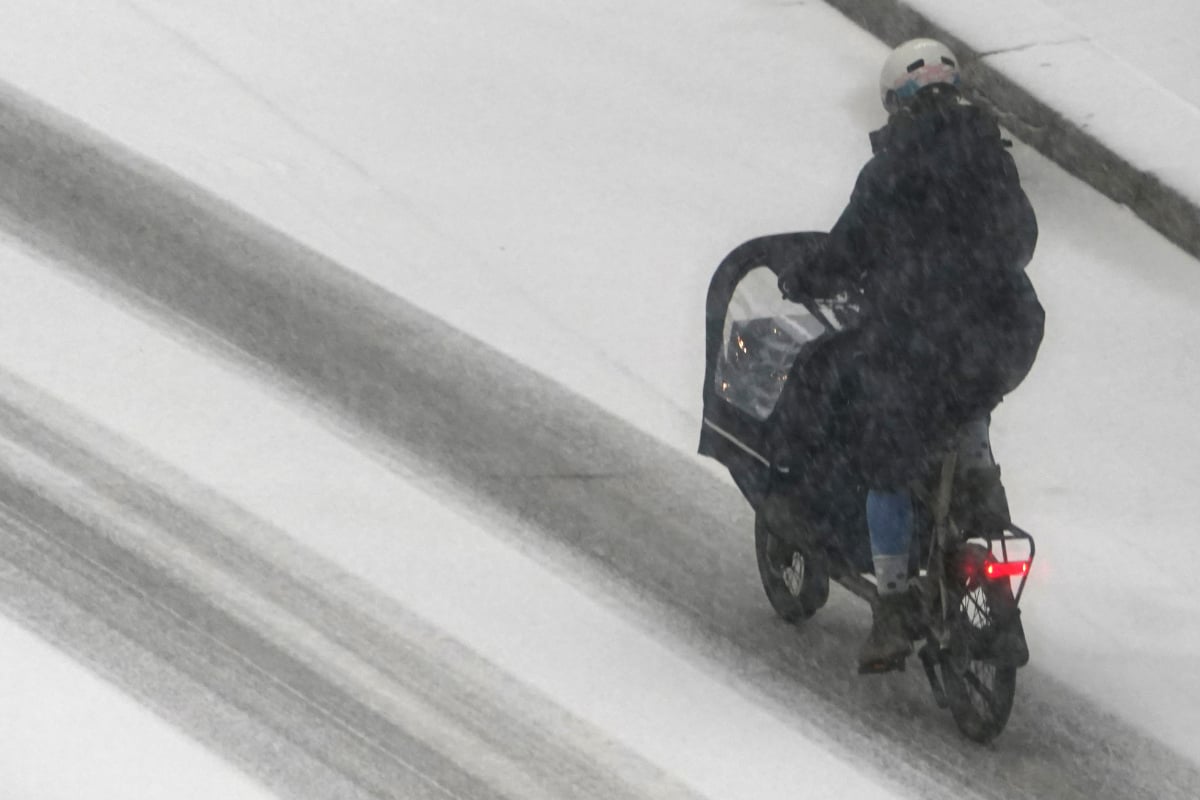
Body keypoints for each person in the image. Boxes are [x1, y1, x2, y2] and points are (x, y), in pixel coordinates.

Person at [770, 38, 1044, 673]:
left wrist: (806, 278)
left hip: (920, 340)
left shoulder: (891, 169)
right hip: (1002, 334)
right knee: (966, 407)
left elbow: (847, 249)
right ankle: (987, 529)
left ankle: (893, 607)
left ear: (897, 103)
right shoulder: (991, 156)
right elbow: (1021, 239)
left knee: (886, 456)